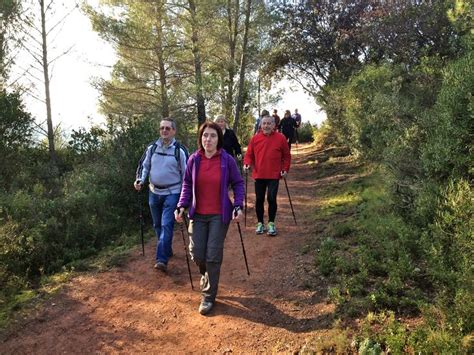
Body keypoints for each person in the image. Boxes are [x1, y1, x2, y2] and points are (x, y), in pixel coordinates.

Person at [175, 121, 244, 315]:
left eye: (213, 136)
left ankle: (208, 296)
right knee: (197, 253)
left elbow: (238, 183)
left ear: (218, 139)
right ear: (201, 138)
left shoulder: (226, 160)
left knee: (213, 255)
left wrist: (238, 205)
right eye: (205, 135)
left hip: (219, 215)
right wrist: (181, 205)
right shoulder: (194, 159)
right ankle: (206, 276)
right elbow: (187, 184)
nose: (209, 139)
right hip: (197, 214)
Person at [134, 117, 187, 272]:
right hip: (153, 191)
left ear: (174, 131)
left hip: (173, 193)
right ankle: (166, 249)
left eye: (167, 128)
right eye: (162, 128)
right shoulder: (152, 147)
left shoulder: (180, 150)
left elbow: (187, 174)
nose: (164, 131)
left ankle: (161, 259)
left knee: (166, 224)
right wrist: (140, 180)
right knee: (157, 225)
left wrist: (185, 197)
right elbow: (144, 165)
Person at [243, 115, 291, 236]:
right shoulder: (255, 139)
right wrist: (247, 164)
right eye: (264, 123)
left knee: (271, 198)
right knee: (259, 199)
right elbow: (249, 155)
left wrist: (285, 169)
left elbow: (286, 156)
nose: (266, 126)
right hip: (259, 174)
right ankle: (260, 223)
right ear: (260, 125)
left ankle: (271, 223)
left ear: (274, 125)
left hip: (274, 174)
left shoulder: (281, 138)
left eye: (269, 123)